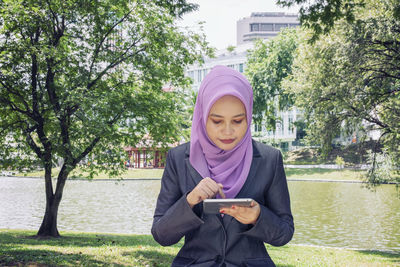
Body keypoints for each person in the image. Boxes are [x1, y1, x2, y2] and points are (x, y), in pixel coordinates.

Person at [151, 65, 294, 267]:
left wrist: (258, 216)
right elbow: (161, 235)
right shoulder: (178, 158)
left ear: (249, 117)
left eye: (237, 120)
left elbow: (284, 233)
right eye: (217, 121)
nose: (227, 131)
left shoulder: (269, 159)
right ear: (202, 116)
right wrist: (191, 200)